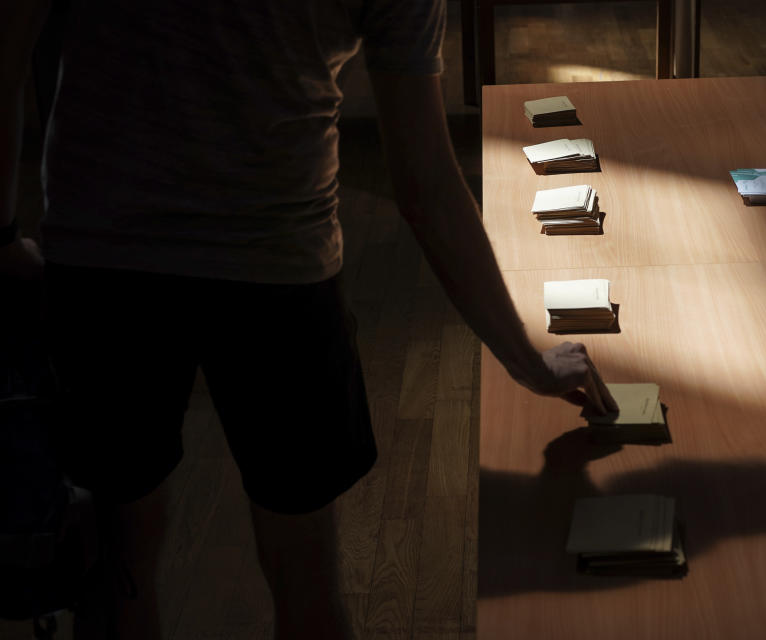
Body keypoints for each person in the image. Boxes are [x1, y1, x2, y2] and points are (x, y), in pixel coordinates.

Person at [0, 1, 612, 637]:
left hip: (107, 259)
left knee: (122, 554)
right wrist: (527, 361)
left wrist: (0, 236)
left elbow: (8, 47)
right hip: (275, 272)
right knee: (303, 570)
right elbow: (425, 185)